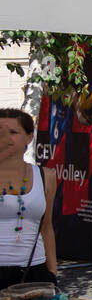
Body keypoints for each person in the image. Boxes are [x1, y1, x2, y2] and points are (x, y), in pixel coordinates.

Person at [0, 109, 59, 290]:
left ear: (29, 138)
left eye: (13, 132)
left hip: (35, 271)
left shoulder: (45, 176)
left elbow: (46, 227)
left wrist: (52, 272)